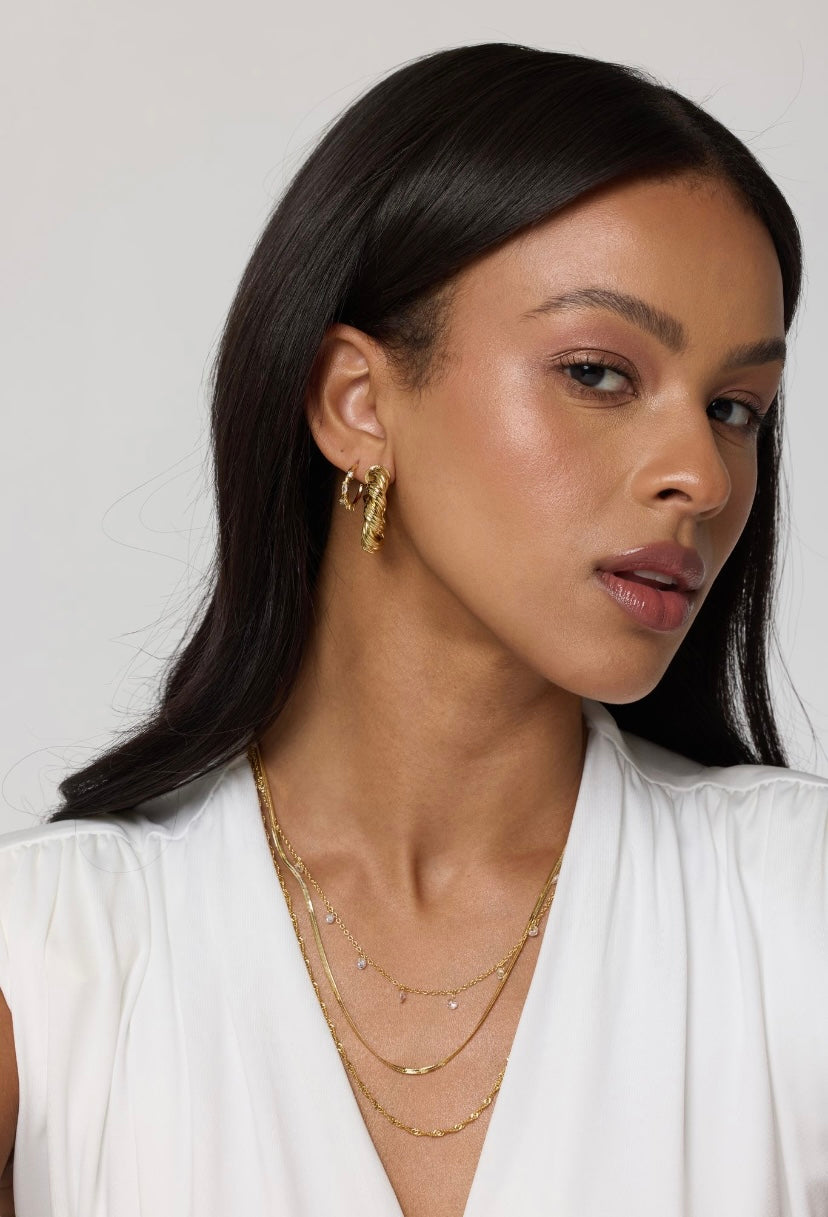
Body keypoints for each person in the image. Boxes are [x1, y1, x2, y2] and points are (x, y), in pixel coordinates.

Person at [0, 40, 825, 1217]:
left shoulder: (797, 917)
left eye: (736, 406)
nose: (700, 470)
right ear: (357, 401)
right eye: (598, 371)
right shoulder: (47, 970)